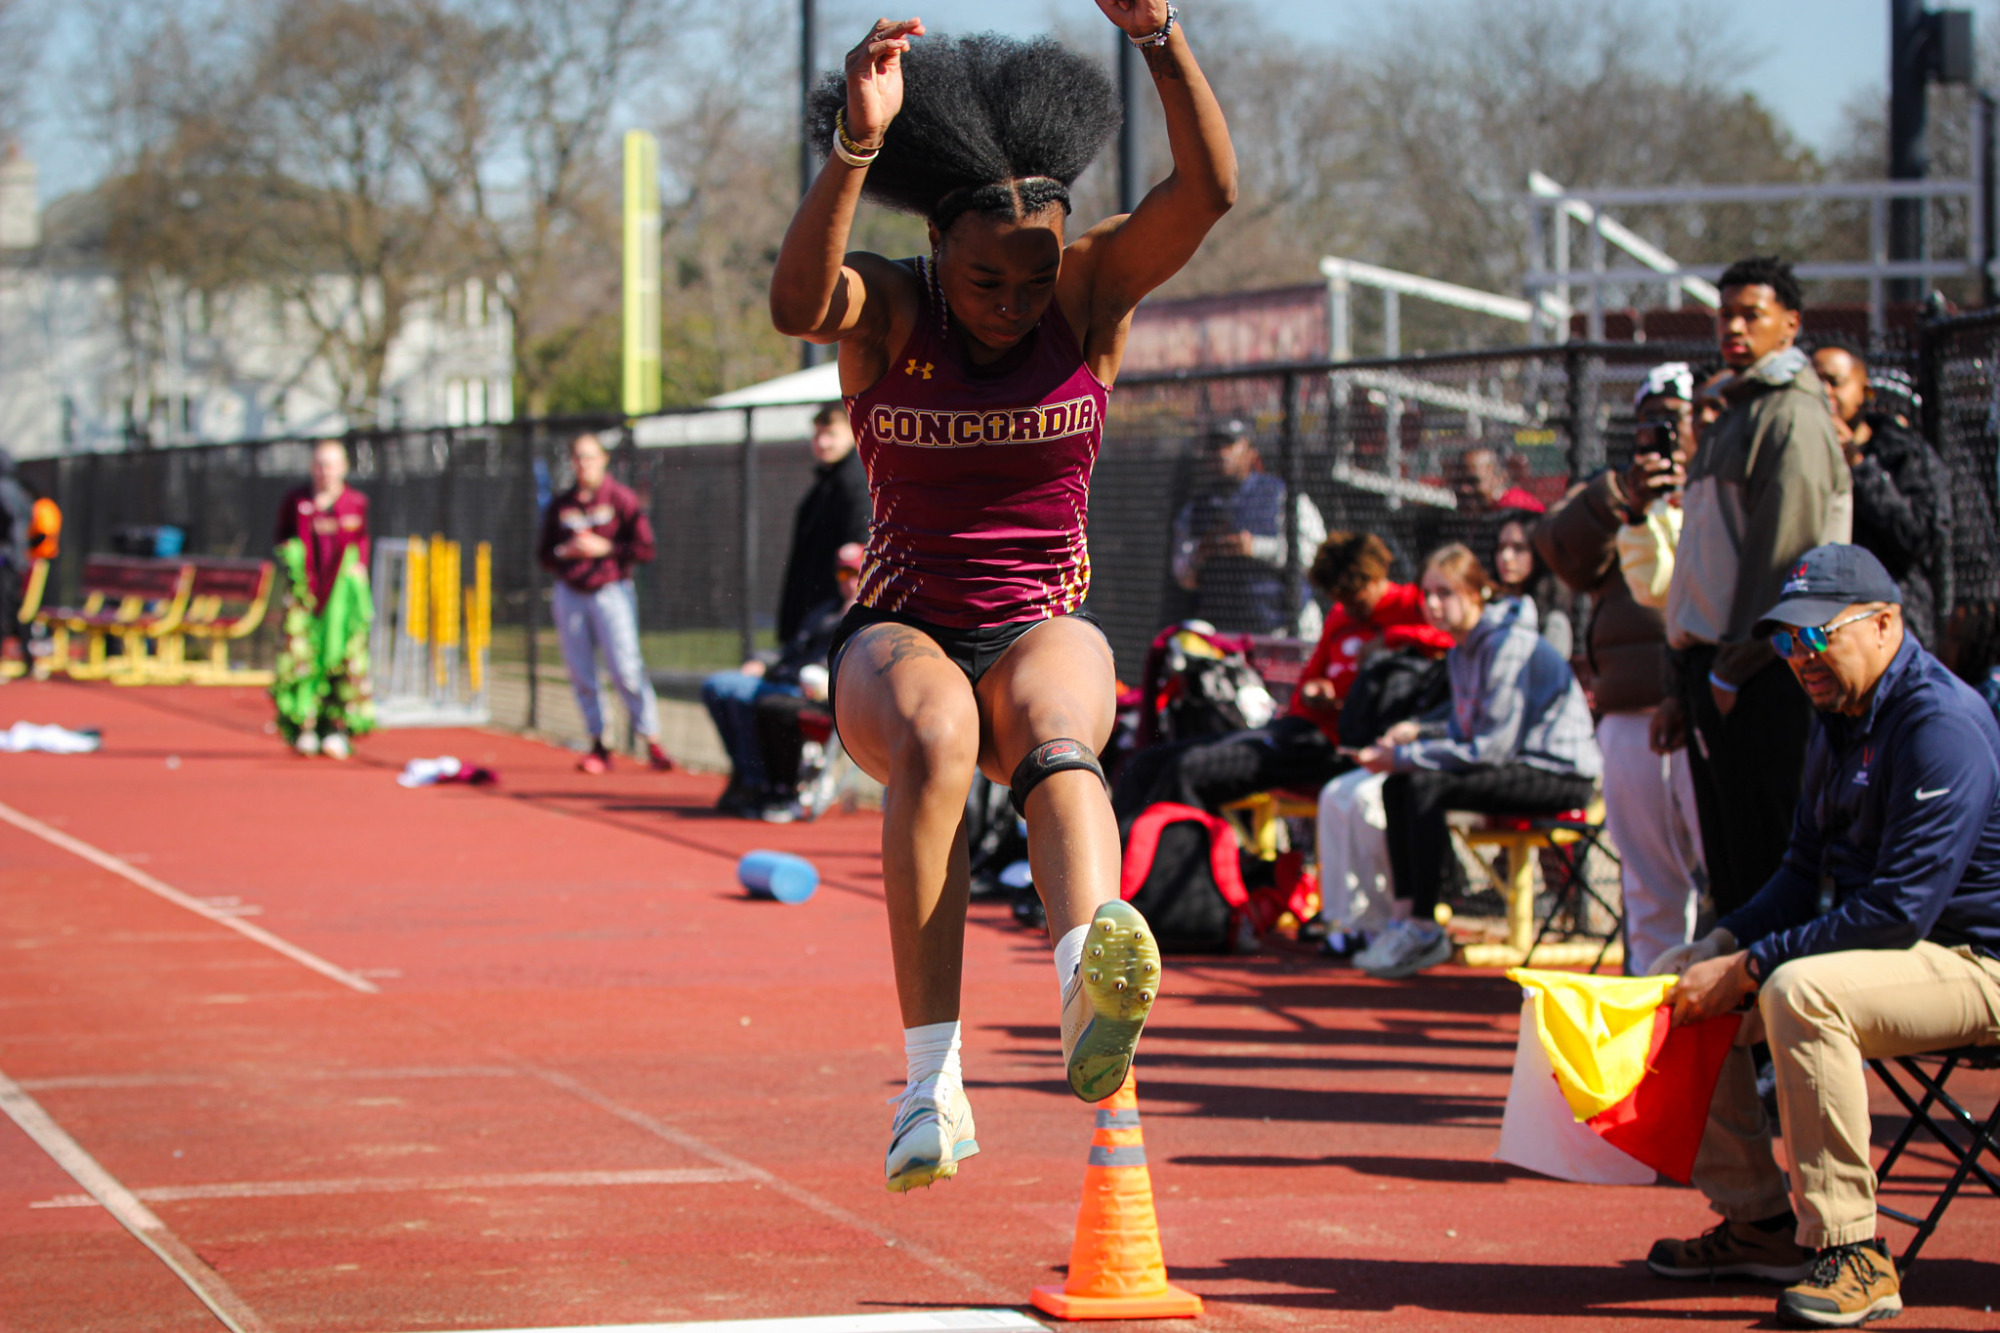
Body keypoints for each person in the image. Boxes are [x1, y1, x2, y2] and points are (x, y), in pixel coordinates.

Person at [768, 5, 1235, 1192]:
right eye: (983, 277)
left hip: (1035, 617)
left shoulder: (1087, 299)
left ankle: (1091, 980)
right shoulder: (890, 308)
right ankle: (929, 1084)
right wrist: (852, 147)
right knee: (940, 734)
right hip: (902, 629)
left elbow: (1208, 193)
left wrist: (1159, 34)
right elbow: (794, 304)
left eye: (1031, 279)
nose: (1010, 303)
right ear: (937, 248)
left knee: (1064, 741)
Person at [1645, 544, 2000, 1329]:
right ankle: (1763, 1224)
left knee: (1795, 989)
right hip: (1911, 955)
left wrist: (1749, 965)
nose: (1800, 656)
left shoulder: (1941, 723)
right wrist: (1721, 942)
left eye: (1817, 636)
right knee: (1673, 983)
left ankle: (1854, 1253)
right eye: (1786, 641)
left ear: (1884, 625)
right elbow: (1801, 872)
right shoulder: (1838, 714)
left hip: (1983, 961)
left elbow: (1897, 911)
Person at [1656, 255, 1850, 920]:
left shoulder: (1790, 417)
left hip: (1763, 674)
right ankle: (1741, 1020)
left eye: (1751, 315)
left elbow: (1786, 558)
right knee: (1732, 872)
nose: (1733, 328)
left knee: (1768, 865)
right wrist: (1684, 676)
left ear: (1789, 326)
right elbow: (1703, 560)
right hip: (1713, 669)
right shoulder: (1730, 413)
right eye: (1725, 315)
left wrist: (1734, 669)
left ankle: (1774, 1021)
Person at [1350, 544, 1601, 979]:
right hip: (1514, 765)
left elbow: (1491, 748)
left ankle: (1426, 930)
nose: (1432, 604)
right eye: (1426, 593)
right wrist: (1418, 732)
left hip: (1560, 773)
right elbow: (1466, 726)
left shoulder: (1508, 645)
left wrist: (1405, 755)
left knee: (1422, 782)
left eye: (1444, 592)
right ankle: (1406, 919)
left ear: (1476, 593)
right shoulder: (1460, 649)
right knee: (1398, 784)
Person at [1534, 362, 1706, 975]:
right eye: (1652, 417)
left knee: (1725, 877)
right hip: (1630, 709)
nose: (1664, 431)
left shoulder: (1723, 482)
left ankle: (1735, 1039)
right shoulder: (1611, 488)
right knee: (1647, 884)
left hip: (1711, 708)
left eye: (1677, 417)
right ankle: (1652, 1028)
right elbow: (1559, 553)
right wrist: (1620, 499)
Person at [1110, 531, 1449, 821]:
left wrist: (1389, 640)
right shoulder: (1340, 615)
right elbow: (1310, 681)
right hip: (1298, 731)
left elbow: (1452, 638)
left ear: (1376, 580)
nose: (1348, 606)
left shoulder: (1413, 605)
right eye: (1339, 599)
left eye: (1354, 598)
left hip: (1335, 746)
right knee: (1149, 762)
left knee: (1189, 770)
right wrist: (1316, 691)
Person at [537, 431, 675, 775]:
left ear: (603, 459)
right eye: (578, 457)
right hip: (571, 593)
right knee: (581, 671)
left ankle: (651, 739)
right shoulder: (562, 504)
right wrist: (564, 551)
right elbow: (543, 554)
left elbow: (645, 548)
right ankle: (599, 743)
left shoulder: (621, 498)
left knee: (626, 669)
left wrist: (606, 549)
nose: (584, 464)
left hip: (612, 591)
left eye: (590, 456)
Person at [705, 542, 863, 817]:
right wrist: (761, 662)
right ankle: (745, 772)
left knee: (753, 699)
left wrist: (852, 616)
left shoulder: (866, 618)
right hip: (782, 677)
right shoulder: (824, 610)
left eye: (854, 574)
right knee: (717, 686)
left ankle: (757, 781)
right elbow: (791, 651)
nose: (847, 582)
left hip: (814, 693)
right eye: (841, 575)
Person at [1810, 343, 1951, 650]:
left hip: (1889, 626)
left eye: (1835, 382)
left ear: (1866, 392)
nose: (1824, 393)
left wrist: (1858, 466)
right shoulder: (1799, 453)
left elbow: (1917, 534)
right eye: (1814, 382)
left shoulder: (1903, 453)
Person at [1170, 418, 1325, 636]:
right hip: (1223, 632)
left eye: (1229, 444)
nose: (1221, 453)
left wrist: (1255, 547)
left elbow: (1317, 557)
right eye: (1214, 447)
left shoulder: (1282, 496)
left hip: (1284, 630)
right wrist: (1201, 553)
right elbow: (1182, 575)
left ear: (1251, 452)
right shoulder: (1196, 508)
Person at [272, 439, 375, 758]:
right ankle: (304, 725)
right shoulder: (297, 501)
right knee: (302, 659)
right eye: (319, 464)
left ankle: (336, 728)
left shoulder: (356, 503)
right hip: (307, 600)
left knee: (342, 658)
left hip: (340, 603)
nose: (324, 471)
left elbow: (361, 544)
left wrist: (358, 571)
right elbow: (283, 538)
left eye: (330, 464)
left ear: (343, 467)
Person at [776, 404, 872, 645]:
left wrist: (850, 600)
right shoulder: (829, 480)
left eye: (831, 434)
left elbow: (859, 547)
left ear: (852, 433)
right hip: (815, 605)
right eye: (818, 434)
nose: (823, 442)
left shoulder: (854, 481)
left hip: (834, 610)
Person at [1489, 509, 1572, 659]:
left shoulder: (1553, 621)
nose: (1506, 557)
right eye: (1501, 548)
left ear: (1539, 553)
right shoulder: (1489, 609)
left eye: (1519, 548)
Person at [0, 449, 34, 672]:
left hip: (6, 558)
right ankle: (29, 660)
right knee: (13, 608)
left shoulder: (5, 489)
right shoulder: (17, 490)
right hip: (15, 558)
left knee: (5, 609)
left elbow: (8, 519)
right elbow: (29, 515)